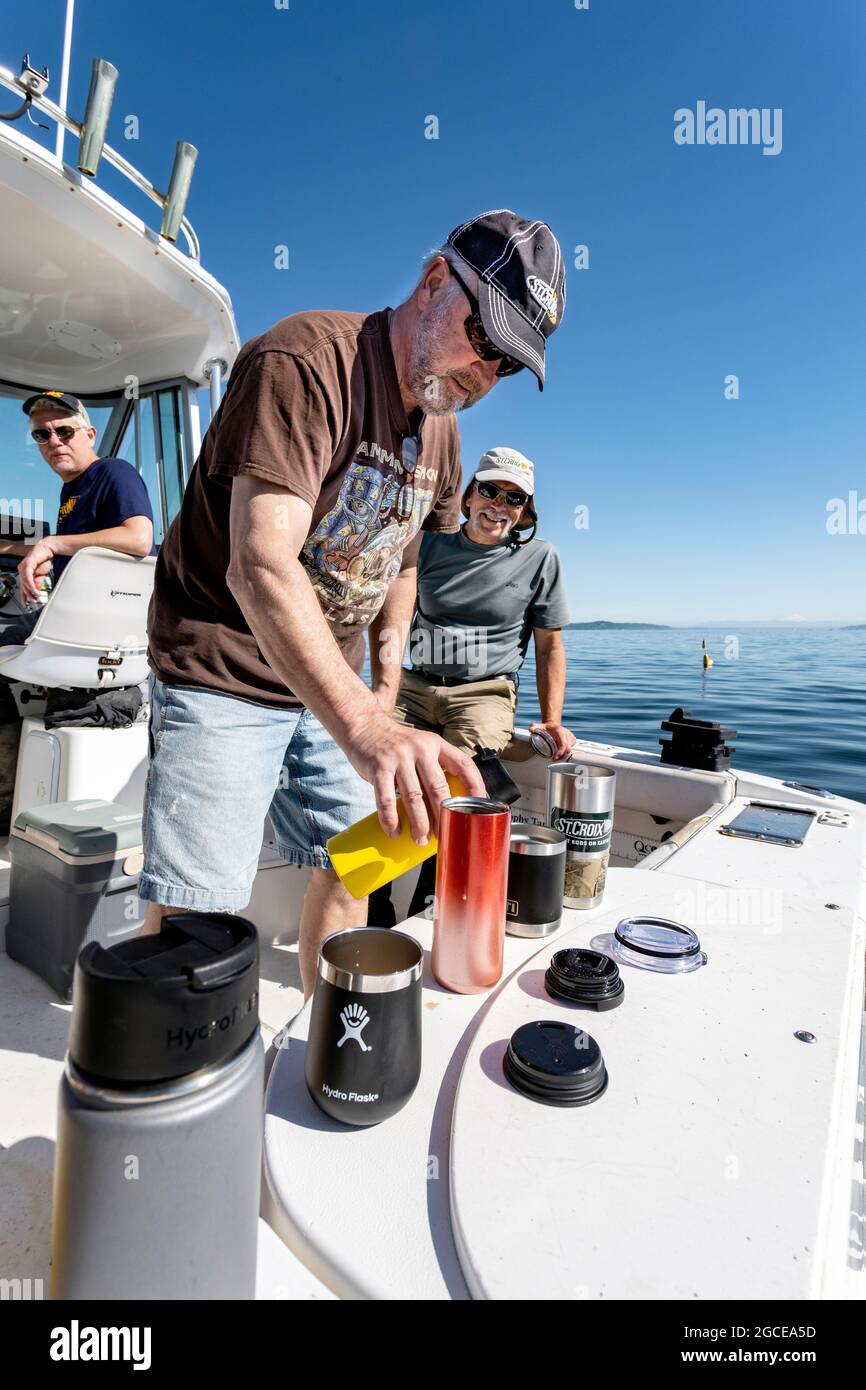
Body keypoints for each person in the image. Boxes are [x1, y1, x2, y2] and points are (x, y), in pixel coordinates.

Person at [139, 209, 567, 998]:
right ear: (435, 280)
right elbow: (259, 563)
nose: (486, 374)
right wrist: (367, 729)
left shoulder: (443, 431)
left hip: (331, 678)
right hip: (223, 665)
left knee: (361, 861)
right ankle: (170, 1070)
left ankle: (332, 1032)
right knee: (199, 915)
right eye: (485, 339)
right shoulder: (304, 361)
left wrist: (384, 687)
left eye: (509, 365)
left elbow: (401, 560)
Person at [369, 445, 575, 926]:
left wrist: (552, 720)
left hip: (485, 692)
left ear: (526, 512)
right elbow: (390, 619)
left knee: (465, 781)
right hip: (415, 685)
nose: (498, 505)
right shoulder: (428, 543)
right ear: (467, 497)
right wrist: (381, 692)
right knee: (376, 763)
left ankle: (429, 900)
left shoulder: (541, 558)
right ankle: (373, 903)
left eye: (513, 499)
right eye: (490, 491)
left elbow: (550, 647)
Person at [0, 391, 156, 827]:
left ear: (89, 433)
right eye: (42, 434)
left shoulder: (113, 472)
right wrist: (23, 548)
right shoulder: (72, 492)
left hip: (78, 640)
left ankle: (2, 795)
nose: (54, 441)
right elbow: (70, 550)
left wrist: (51, 543)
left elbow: (139, 538)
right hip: (94, 641)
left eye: (64, 430)